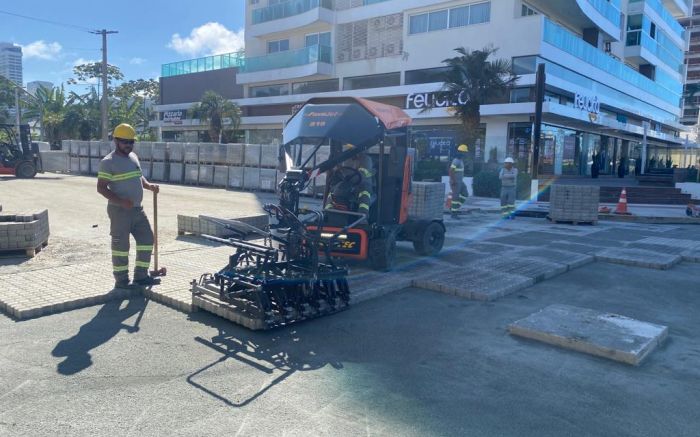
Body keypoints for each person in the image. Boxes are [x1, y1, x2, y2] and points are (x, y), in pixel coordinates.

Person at [97, 123, 160, 289]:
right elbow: (101, 188)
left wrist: (149, 186)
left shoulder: (133, 157)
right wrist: (121, 201)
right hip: (119, 211)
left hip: (137, 209)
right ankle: (121, 280)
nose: (128, 145)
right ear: (116, 141)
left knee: (147, 239)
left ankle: (140, 276)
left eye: (131, 142)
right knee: (121, 246)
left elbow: (139, 177)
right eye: (125, 141)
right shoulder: (108, 162)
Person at [325, 144, 374, 216]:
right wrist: (336, 171)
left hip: (362, 184)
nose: (350, 151)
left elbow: (361, 175)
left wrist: (344, 174)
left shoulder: (366, 159)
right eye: (350, 149)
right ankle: (327, 214)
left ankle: (363, 217)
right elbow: (341, 171)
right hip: (347, 183)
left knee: (364, 193)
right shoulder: (346, 159)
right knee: (333, 190)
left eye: (352, 149)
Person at [449, 144, 469, 218]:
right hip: (456, 182)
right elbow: (451, 171)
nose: (465, 154)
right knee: (455, 197)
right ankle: (454, 214)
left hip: (460, 181)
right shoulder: (456, 160)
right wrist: (453, 181)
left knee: (465, 194)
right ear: (461, 152)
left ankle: (454, 208)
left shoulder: (460, 160)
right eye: (465, 152)